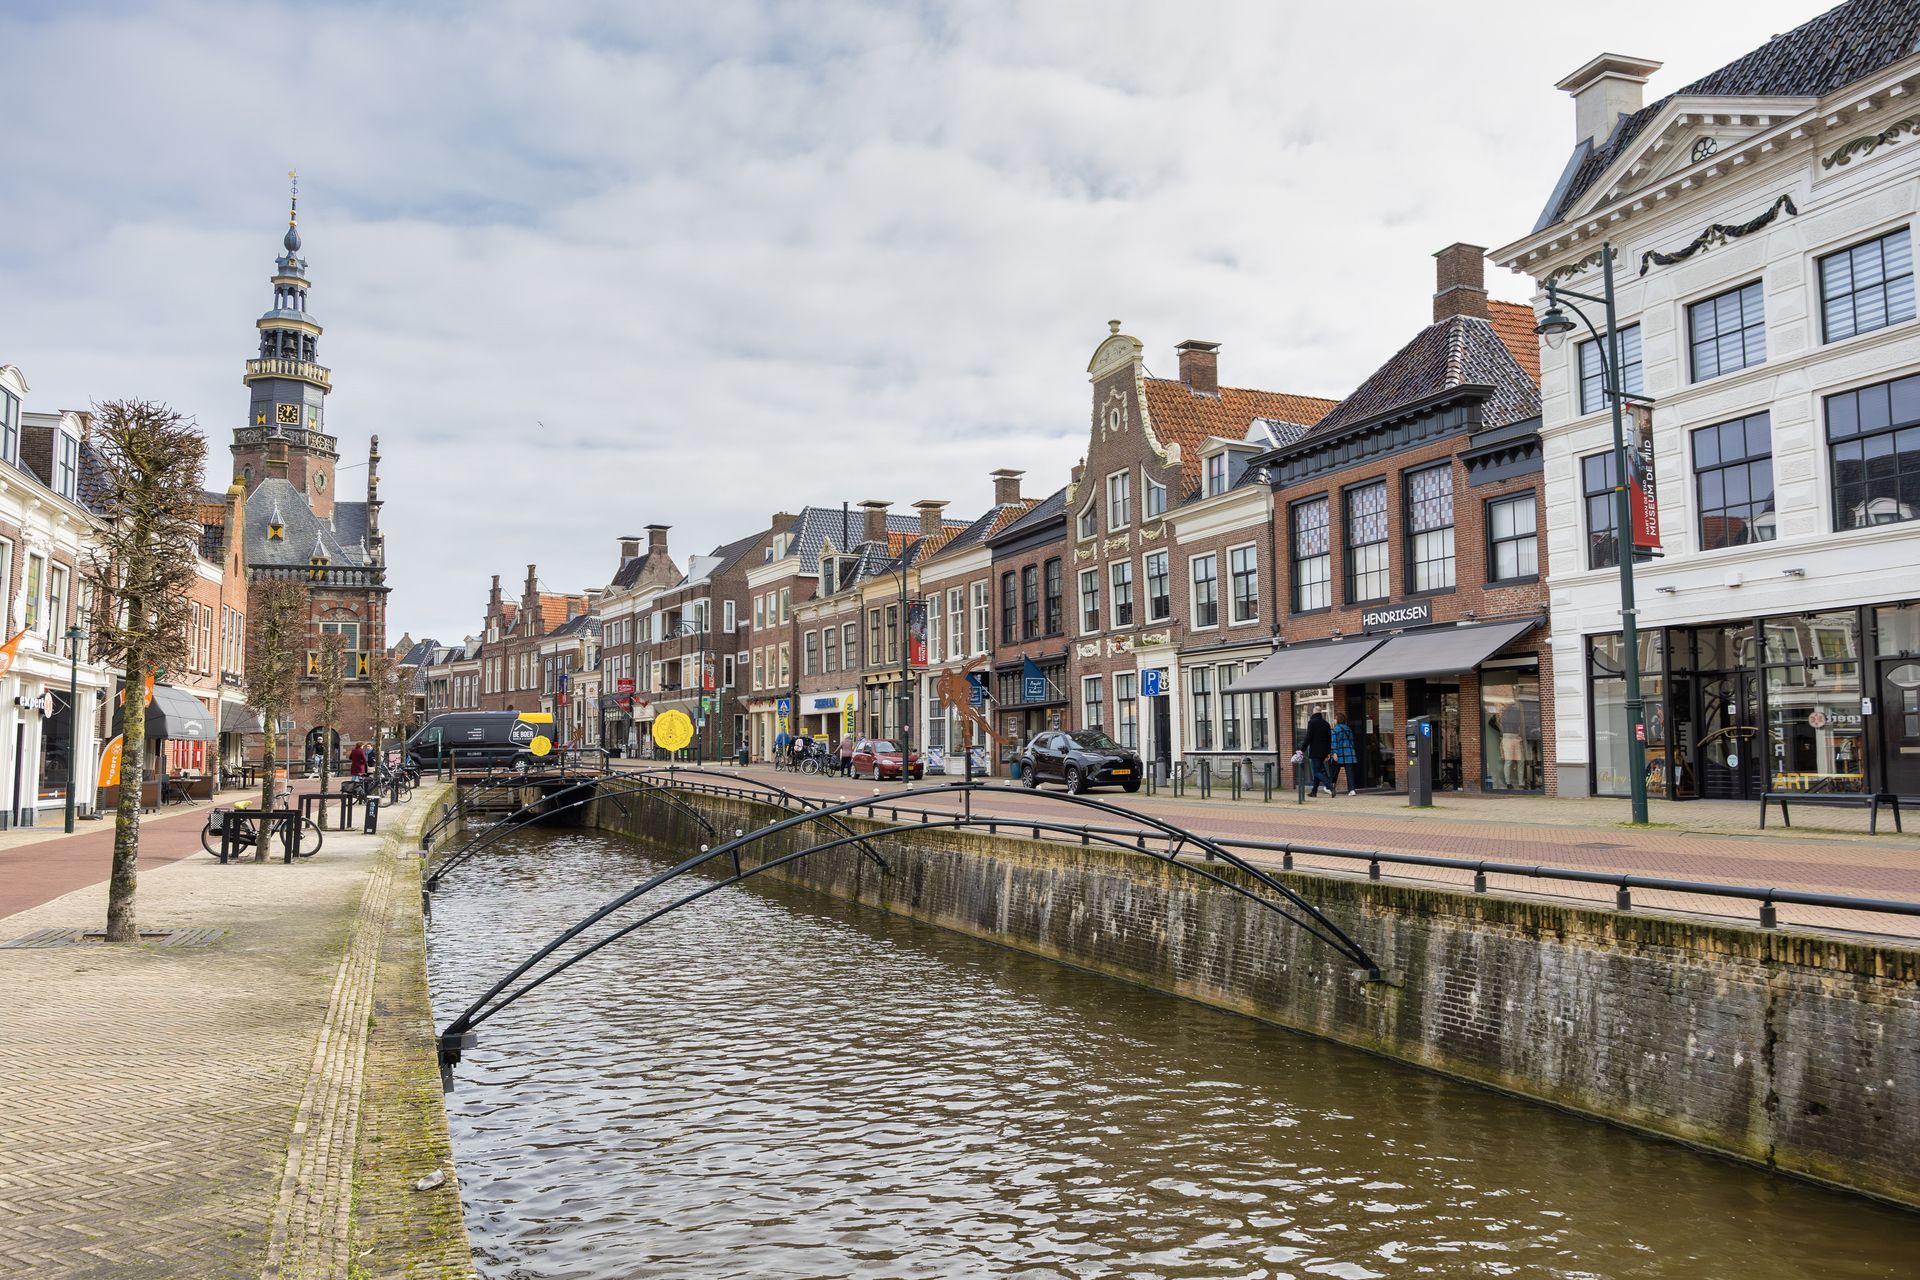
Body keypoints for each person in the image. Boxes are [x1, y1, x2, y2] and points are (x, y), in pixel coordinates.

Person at [1303, 710, 1334, 797]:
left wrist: (1302, 749)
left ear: (1314, 712)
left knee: (1316, 772)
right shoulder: (1326, 723)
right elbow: (1329, 739)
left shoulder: (1312, 722)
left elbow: (1308, 737)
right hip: (1324, 752)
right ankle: (1314, 791)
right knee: (1318, 771)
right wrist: (1328, 752)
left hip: (1315, 751)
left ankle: (1329, 785)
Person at [1329, 714, 1358, 795]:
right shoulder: (1348, 728)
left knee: (1335, 771)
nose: (1334, 720)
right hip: (1349, 753)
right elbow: (1352, 742)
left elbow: (1334, 742)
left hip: (1340, 753)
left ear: (1337, 720)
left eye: (1335, 719)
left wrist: (1334, 753)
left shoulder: (1336, 729)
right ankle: (1352, 790)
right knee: (1350, 772)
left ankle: (1331, 786)